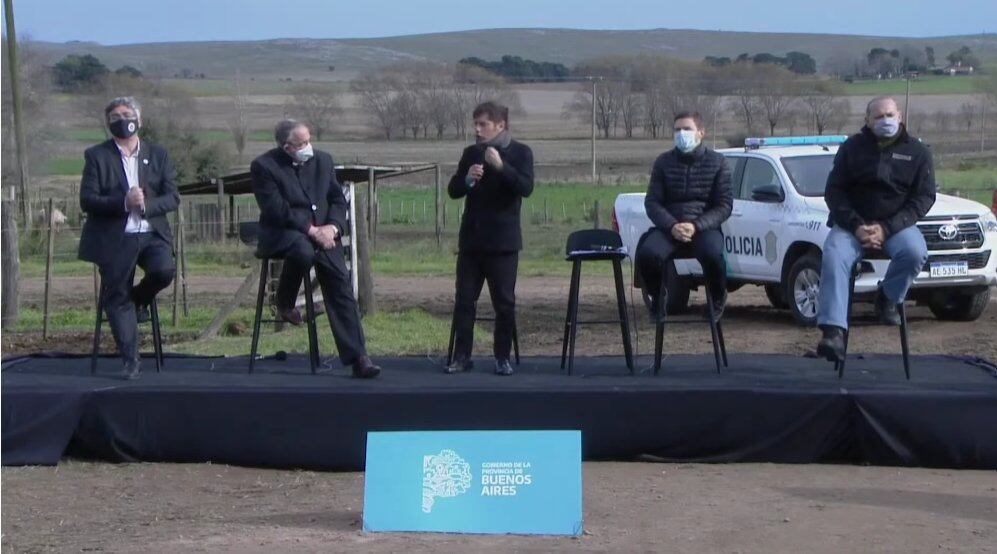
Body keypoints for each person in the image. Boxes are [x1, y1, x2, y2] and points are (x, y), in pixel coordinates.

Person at [250, 119, 380, 378]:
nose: (308, 147)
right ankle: (284, 301)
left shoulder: (323, 161)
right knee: (303, 250)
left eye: (309, 140)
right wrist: (312, 231)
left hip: (324, 234)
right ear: (287, 147)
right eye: (302, 143)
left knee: (340, 282)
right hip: (285, 232)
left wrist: (332, 227)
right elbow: (277, 209)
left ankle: (359, 358)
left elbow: (335, 198)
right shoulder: (264, 166)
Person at [816, 96, 934, 361]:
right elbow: (834, 192)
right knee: (834, 256)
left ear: (900, 116)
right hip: (851, 226)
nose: (885, 121)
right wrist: (857, 226)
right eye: (879, 117)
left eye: (890, 115)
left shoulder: (918, 152)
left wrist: (887, 228)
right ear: (867, 121)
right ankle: (833, 331)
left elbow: (924, 198)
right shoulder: (851, 148)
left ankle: (888, 297)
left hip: (896, 226)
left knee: (915, 252)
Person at [78, 97, 178, 380]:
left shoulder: (158, 154)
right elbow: (88, 200)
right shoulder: (96, 156)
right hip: (115, 238)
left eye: (126, 113)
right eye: (114, 116)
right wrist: (123, 201)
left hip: (151, 234)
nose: (121, 119)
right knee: (116, 294)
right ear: (108, 123)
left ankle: (138, 301)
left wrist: (146, 205)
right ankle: (131, 361)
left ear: (139, 119)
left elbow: (173, 197)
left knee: (164, 270)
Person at [446, 101, 534, 376]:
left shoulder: (520, 152)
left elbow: (525, 187)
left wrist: (501, 166)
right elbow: (453, 190)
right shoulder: (471, 153)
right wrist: (468, 180)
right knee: (464, 300)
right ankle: (462, 356)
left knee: (504, 303)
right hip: (472, 240)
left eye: (483, 124)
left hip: (503, 241)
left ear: (500, 125)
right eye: (476, 123)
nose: (477, 129)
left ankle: (502, 358)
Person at [635, 111, 732, 320]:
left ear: (701, 133)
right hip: (670, 227)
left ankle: (717, 298)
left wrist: (696, 226)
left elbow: (724, 206)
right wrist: (672, 226)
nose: (681, 133)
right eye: (677, 129)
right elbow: (652, 202)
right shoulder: (663, 162)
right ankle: (658, 297)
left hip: (703, 228)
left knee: (713, 256)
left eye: (687, 129)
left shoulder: (718, 163)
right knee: (647, 254)